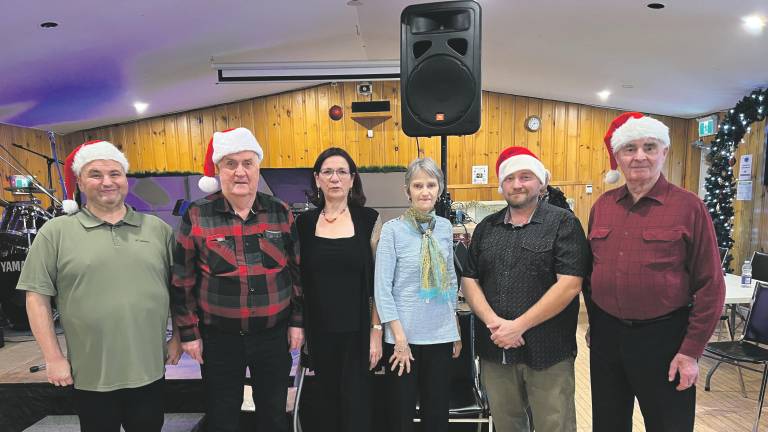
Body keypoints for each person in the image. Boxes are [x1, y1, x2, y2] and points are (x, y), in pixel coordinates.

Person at [17, 140, 181, 432]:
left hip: (150, 370)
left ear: (125, 179)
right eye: (95, 174)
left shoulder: (158, 230)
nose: (107, 182)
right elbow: (36, 297)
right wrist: (53, 357)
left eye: (115, 173)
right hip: (91, 374)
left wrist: (179, 336)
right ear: (79, 181)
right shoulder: (55, 233)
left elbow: (179, 291)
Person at [587, 112, 726, 431]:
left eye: (649, 147)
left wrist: (691, 352)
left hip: (665, 340)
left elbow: (710, 286)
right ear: (618, 157)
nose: (639, 156)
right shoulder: (603, 207)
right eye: (630, 148)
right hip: (608, 338)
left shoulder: (689, 207)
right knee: (607, 423)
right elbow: (590, 275)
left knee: (668, 425)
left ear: (664, 152)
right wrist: (596, 325)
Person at [170, 127, 303, 432]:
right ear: (218, 170)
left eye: (247, 163)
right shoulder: (197, 215)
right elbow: (182, 280)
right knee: (222, 415)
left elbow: (297, 272)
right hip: (219, 339)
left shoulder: (280, 212)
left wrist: (298, 320)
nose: (240, 172)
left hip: (273, 336)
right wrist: (189, 333)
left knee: (272, 414)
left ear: (258, 167)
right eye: (230, 164)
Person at [461, 146, 589, 432]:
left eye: (525, 176)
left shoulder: (563, 223)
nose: (517, 184)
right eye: (509, 178)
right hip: (496, 350)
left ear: (541, 181)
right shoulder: (486, 227)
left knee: (554, 424)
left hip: (548, 350)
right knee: (507, 425)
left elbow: (570, 284)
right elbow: (469, 279)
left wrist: (518, 326)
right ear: (501, 185)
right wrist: (496, 324)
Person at [295, 147, 383, 431]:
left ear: (352, 178)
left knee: (356, 407)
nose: (335, 178)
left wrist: (376, 332)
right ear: (317, 179)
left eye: (342, 172)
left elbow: (379, 283)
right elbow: (298, 280)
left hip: (358, 333)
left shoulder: (369, 220)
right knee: (324, 408)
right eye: (328, 172)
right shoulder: (304, 224)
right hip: (319, 334)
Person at [374, 157, 461, 432]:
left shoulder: (445, 228)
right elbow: (382, 289)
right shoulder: (392, 230)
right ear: (407, 191)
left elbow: (449, 281)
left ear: (440, 189)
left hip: (440, 335)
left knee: (436, 416)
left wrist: (454, 328)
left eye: (431, 184)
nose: (425, 191)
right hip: (403, 340)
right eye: (418, 185)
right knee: (400, 416)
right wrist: (399, 339)